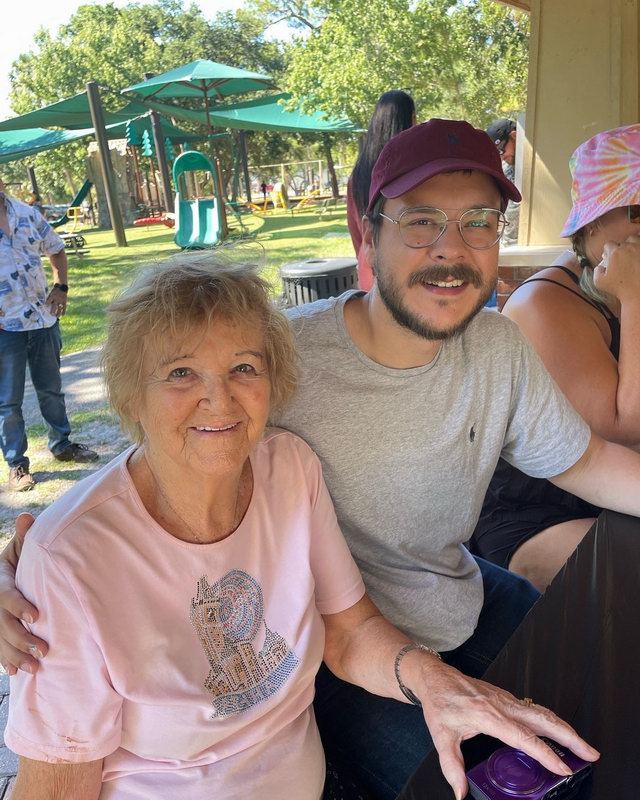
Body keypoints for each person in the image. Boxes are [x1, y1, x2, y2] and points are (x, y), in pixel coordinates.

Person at [7, 118, 640, 797]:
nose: (451, 249)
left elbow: (587, 461)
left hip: (441, 599)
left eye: (478, 222)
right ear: (368, 236)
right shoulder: (283, 357)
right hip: (332, 661)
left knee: (607, 696)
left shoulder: (487, 351)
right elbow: (156, 457)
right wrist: (37, 570)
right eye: (421, 222)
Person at [472, 123, 640, 591]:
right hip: (538, 511)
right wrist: (634, 297)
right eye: (638, 211)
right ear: (592, 223)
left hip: (620, 489)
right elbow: (623, 429)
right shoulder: (545, 304)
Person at [0, 178, 98, 492]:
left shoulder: (26, 213)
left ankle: (62, 444)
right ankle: (17, 464)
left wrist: (61, 287)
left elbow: (56, 249)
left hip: (42, 320)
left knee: (51, 391)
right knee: (7, 402)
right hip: (5, 329)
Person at [347, 90, 416, 291]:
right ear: (410, 119)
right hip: (406, 267)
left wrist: (365, 256)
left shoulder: (358, 173)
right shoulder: (412, 169)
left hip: (369, 264)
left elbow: (355, 228)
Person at [486, 118, 520, 245]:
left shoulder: (531, 167)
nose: (501, 157)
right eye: (497, 154)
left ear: (514, 136)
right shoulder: (506, 168)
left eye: (501, 150)